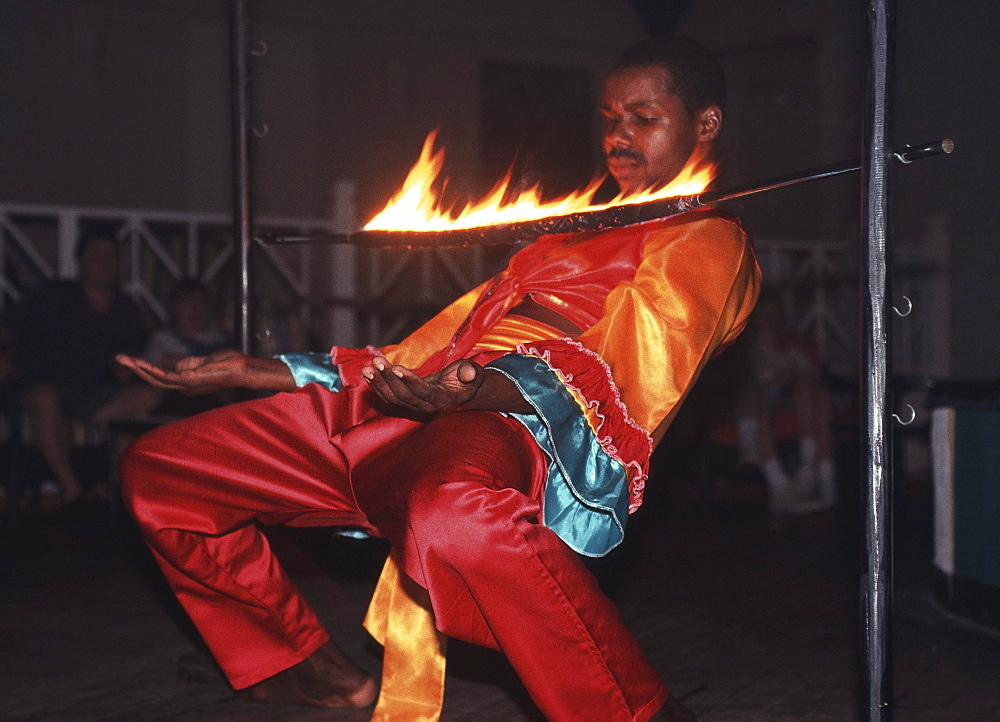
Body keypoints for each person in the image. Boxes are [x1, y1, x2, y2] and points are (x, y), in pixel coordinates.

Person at [117, 36, 760, 721]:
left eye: (643, 117)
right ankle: (307, 668)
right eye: (609, 118)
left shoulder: (708, 240)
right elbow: (429, 352)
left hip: (507, 423)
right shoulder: (570, 234)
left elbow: (629, 371)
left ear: (706, 123)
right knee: (161, 470)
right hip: (407, 409)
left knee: (457, 513)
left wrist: (476, 391)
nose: (619, 137)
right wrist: (266, 369)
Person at [4, 228, 157, 506]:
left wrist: (131, 365)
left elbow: (128, 357)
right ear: (80, 261)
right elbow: (9, 329)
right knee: (45, 398)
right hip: (43, 386)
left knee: (148, 394)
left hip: (96, 393)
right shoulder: (52, 295)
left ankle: (114, 482)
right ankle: (73, 491)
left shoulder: (125, 307)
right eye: (95, 254)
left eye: (110, 255)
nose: (104, 260)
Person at [734, 294, 837, 513]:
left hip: (792, 398)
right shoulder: (744, 351)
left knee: (813, 391)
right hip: (757, 401)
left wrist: (790, 376)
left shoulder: (791, 350)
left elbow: (813, 375)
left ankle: (810, 470)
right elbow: (743, 381)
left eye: (773, 314)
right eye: (764, 315)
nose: (769, 320)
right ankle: (779, 485)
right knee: (759, 396)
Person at [140, 278, 233, 415]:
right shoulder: (162, 339)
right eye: (187, 303)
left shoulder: (225, 339)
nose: (194, 309)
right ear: (174, 307)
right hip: (175, 406)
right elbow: (157, 366)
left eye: (200, 303)